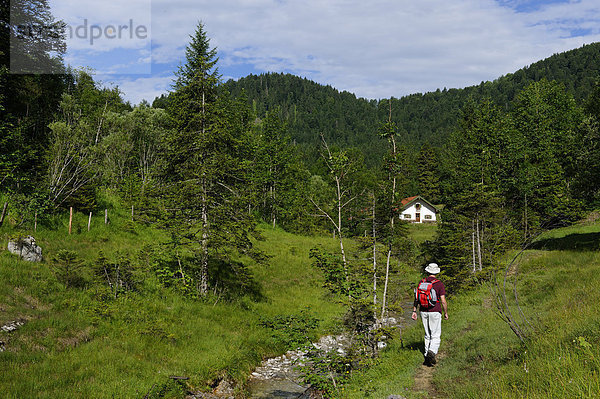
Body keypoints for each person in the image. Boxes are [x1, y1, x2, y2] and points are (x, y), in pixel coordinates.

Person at [411, 262, 448, 367]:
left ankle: (427, 355)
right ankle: (432, 352)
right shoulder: (439, 284)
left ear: (427, 271)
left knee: (427, 334)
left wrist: (414, 311)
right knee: (435, 334)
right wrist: (445, 312)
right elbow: (443, 301)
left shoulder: (421, 282)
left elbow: (416, 298)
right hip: (435, 311)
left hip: (423, 311)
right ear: (436, 272)